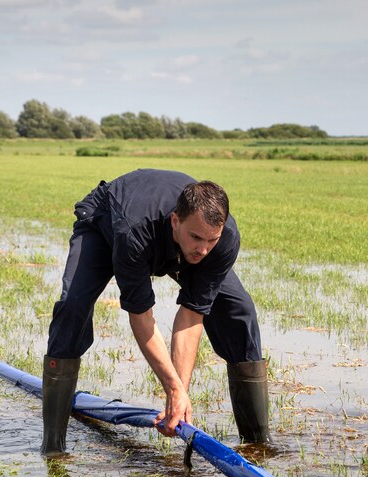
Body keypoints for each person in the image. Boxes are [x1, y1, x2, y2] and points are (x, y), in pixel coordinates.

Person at [42, 168, 270, 455]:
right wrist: (172, 389)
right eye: (197, 237)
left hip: (159, 229)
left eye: (211, 240)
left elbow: (191, 315)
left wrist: (179, 394)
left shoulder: (222, 239)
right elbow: (142, 316)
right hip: (106, 223)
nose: (203, 250)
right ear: (175, 220)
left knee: (240, 310)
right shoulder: (133, 231)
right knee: (72, 307)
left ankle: (257, 445)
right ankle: (53, 445)